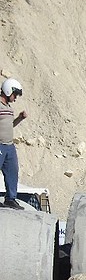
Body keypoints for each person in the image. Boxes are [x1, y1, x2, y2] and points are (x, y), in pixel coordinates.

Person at [0, 78, 27, 210]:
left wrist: (19, 119)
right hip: (0, 145)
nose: (15, 97)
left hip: (9, 146)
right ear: (8, 90)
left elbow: (10, 126)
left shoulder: (9, 108)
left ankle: (10, 199)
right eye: (15, 94)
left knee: (13, 171)